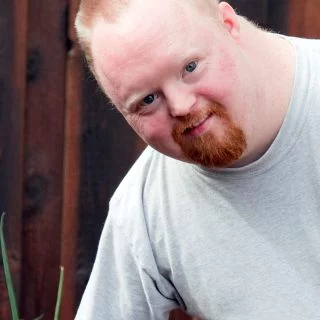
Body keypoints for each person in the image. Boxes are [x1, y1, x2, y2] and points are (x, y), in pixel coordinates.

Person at [74, 0, 320, 319]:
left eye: (190, 67)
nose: (181, 106)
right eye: (147, 100)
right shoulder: (144, 211)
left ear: (228, 24)